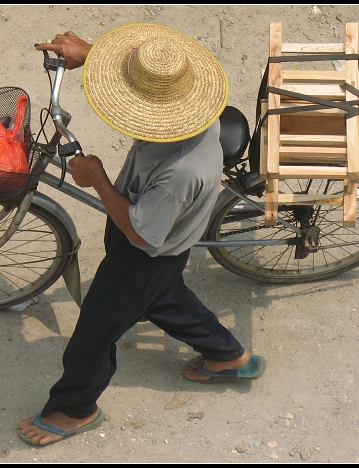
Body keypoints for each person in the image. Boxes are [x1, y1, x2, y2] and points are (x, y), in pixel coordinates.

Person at [18, 23, 265, 447]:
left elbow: (140, 235)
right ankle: (228, 356)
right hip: (159, 240)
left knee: (93, 334)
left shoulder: (178, 174)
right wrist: (92, 55)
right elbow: (152, 79)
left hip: (147, 250)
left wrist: (97, 178)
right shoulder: (191, 104)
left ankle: (75, 409)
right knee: (163, 298)